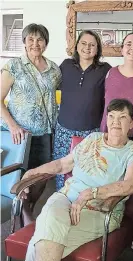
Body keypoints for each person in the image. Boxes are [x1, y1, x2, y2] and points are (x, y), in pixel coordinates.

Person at [22, 99, 133, 261]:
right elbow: (63, 164)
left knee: (42, 240)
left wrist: (90, 193)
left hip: (99, 210)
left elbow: (130, 185)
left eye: (122, 117)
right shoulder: (93, 138)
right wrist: (32, 172)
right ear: (106, 119)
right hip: (65, 199)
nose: (116, 122)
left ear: (131, 123)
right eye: (111, 116)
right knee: (51, 222)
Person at [1, 23, 61, 225]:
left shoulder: (54, 69)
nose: (35, 43)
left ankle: (26, 211)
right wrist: (12, 125)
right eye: (31, 39)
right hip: (21, 135)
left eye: (40, 39)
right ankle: (26, 220)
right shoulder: (14, 66)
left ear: (46, 43)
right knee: (22, 179)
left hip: (46, 132)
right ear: (24, 42)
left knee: (42, 177)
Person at [53, 30, 111, 191]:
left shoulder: (105, 69)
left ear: (98, 49)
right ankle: (60, 203)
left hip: (90, 134)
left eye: (92, 44)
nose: (87, 47)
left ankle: (82, 209)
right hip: (63, 131)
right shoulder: (65, 65)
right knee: (61, 172)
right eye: (84, 43)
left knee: (86, 175)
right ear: (77, 45)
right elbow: (48, 84)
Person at [100, 32, 133, 141]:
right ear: (122, 50)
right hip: (110, 136)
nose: (132, 48)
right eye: (128, 44)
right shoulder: (111, 72)